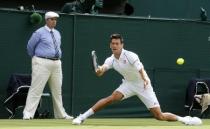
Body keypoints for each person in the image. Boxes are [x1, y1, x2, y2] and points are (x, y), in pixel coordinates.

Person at [72, 33, 202, 125]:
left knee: (159, 116)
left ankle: (186, 120)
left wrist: (145, 79)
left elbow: (141, 69)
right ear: (110, 45)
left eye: (117, 43)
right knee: (110, 99)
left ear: (122, 44)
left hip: (143, 85)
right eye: (112, 43)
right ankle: (82, 117)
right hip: (128, 84)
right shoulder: (110, 60)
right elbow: (101, 72)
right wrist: (99, 70)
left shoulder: (131, 56)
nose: (114, 45)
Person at [23, 11, 73, 120]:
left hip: (56, 63)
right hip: (41, 62)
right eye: (52, 19)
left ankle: (60, 114)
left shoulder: (57, 33)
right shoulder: (39, 33)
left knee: (57, 90)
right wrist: (37, 59)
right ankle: (28, 114)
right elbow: (30, 47)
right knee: (36, 89)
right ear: (46, 20)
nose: (54, 21)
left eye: (55, 19)